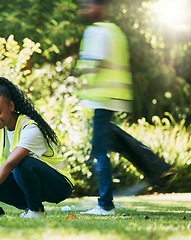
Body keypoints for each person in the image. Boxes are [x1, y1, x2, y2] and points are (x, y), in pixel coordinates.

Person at [75, 0, 174, 216]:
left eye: (89, 4)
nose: (85, 9)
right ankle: (158, 168)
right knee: (112, 140)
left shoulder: (96, 31)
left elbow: (94, 63)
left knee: (99, 150)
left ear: (100, 7)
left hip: (101, 97)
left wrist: (79, 78)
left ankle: (105, 204)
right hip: (113, 96)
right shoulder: (115, 32)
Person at [0, 76, 74, 218]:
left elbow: (10, 164)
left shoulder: (30, 127)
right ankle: (30, 207)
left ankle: (35, 210)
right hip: (27, 178)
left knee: (21, 163)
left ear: (11, 106)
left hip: (59, 185)